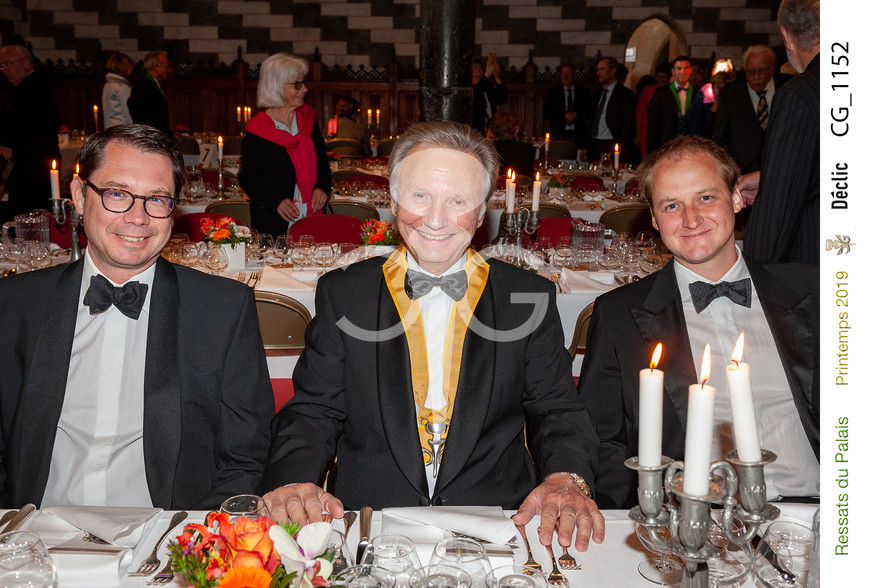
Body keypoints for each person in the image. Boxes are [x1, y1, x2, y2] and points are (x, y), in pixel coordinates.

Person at [263, 121, 605, 552]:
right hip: (371, 518)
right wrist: (293, 480)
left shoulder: (527, 296)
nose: (436, 219)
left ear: (481, 214)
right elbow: (313, 410)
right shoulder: (344, 292)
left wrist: (566, 477)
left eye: (458, 201)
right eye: (419, 196)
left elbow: (557, 409)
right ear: (393, 202)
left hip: (499, 520)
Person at [0, 124, 274, 509]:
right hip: (38, 529)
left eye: (157, 199)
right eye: (117, 194)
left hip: (164, 534)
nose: (138, 218)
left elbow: (244, 459)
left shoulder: (223, 310)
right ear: (79, 195)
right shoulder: (15, 304)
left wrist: (189, 535)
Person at [578, 135, 818, 509]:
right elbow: (602, 441)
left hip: (816, 509)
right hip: (691, 520)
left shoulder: (814, 291)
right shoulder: (618, 315)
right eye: (672, 205)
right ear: (654, 219)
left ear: (736, 198)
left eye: (706, 198)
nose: (691, 219)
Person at [741, 0, 820, 265]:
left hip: (816, 261)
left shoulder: (799, 93)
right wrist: (768, 178)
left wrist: (754, 272)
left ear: (786, 35)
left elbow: (778, 211)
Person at [239, 53, 332, 237]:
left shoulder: (308, 121)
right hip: (274, 221)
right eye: (297, 84)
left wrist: (322, 187)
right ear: (276, 87)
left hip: (311, 214)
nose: (305, 89)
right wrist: (276, 202)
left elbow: (322, 161)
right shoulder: (258, 130)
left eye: (304, 83)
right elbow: (248, 178)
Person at [0, 45, 61, 222]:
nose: (4, 70)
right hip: (30, 165)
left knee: (28, 218)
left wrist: (7, 143)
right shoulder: (25, 87)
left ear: (27, 62)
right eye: (1, 66)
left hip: (33, 166)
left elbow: (25, 123)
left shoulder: (33, 87)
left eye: (8, 63)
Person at [713, 46, 790, 174]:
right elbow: (719, 137)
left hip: (782, 169)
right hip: (744, 171)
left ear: (772, 68)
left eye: (761, 71)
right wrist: (731, 165)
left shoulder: (789, 87)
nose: (756, 76)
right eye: (750, 71)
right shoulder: (730, 94)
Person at [588, 57, 636, 163]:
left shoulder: (624, 94)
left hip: (613, 143)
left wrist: (622, 145)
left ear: (613, 71)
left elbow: (629, 124)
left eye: (602, 69)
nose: (598, 73)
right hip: (595, 143)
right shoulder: (597, 94)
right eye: (597, 70)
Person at [645, 56, 694, 153]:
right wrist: (651, 151)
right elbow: (653, 122)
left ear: (691, 70)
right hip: (667, 145)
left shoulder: (698, 92)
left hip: (691, 146)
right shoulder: (661, 93)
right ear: (673, 71)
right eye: (679, 68)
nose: (683, 72)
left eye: (686, 68)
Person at [543, 63, 591, 150]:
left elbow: (590, 112)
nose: (565, 77)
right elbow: (546, 114)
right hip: (558, 134)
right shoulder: (553, 92)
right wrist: (564, 116)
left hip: (579, 135)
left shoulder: (584, 92)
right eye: (563, 74)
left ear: (574, 75)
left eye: (568, 73)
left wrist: (576, 116)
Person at [679, 70, 736, 139]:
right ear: (712, 88)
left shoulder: (734, 113)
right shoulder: (702, 109)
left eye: (725, 89)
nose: (721, 92)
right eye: (718, 88)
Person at [127, 51, 171, 135]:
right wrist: (148, 132)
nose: (169, 70)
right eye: (166, 67)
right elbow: (134, 105)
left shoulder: (151, 84)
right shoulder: (144, 85)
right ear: (155, 67)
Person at [635, 63, 670, 159]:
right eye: (658, 76)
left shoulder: (671, 91)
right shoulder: (648, 90)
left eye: (663, 77)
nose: (660, 79)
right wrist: (638, 134)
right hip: (647, 129)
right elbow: (639, 112)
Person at [486, 111, 535, 179]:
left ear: (492, 131)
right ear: (516, 131)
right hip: (524, 185)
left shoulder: (488, 149)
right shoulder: (528, 149)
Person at [472, 58, 508, 134]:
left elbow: (502, 98)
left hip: (490, 126)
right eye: (475, 67)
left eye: (480, 67)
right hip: (475, 128)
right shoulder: (468, 88)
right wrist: (487, 74)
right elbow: (476, 93)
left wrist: (497, 77)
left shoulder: (487, 86)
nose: (479, 69)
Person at [102, 52, 135, 128]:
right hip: (122, 129)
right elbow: (128, 113)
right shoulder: (122, 86)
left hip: (110, 127)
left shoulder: (108, 84)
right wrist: (133, 128)